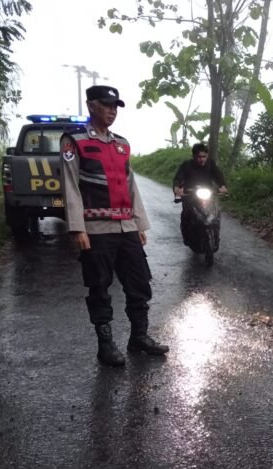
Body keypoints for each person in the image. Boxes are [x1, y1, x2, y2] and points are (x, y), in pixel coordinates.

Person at [60, 85, 169, 367]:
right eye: (107, 105)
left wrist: (139, 224)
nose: (112, 111)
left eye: (115, 106)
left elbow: (130, 185)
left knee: (139, 281)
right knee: (99, 286)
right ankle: (105, 345)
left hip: (126, 228)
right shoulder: (75, 141)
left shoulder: (122, 144)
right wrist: (77, 228)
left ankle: (139, 337)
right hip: (96, 230)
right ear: (91, 106)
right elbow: (70, 185)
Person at [172, 142, 228, 244]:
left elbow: (218, 176)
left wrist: (223, 186)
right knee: (186, 214)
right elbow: (178, 177)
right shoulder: (187, 165)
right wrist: (177, 188)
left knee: (216, 213)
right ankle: (186, 236)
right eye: (199, 156)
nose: (202, 159)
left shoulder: (210, 164)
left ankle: (216, 234)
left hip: (208, 194)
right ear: (193, 156)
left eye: (204, 156)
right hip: (190, 194)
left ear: (207, 156)